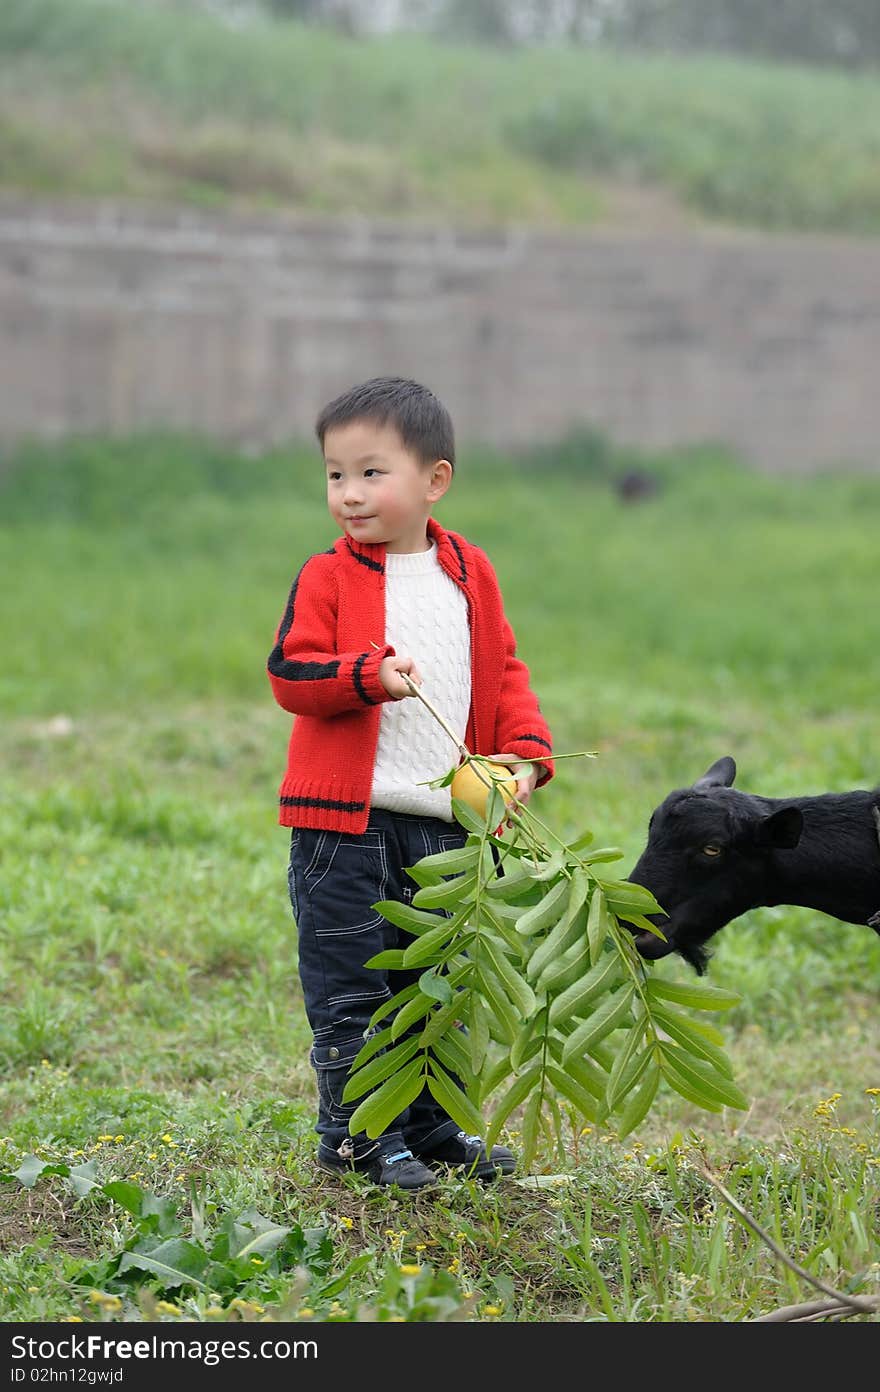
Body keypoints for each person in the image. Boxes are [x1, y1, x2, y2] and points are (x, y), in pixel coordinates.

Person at [267, 376, 554, 1191]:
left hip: (444, 827)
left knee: (435, 988)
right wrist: (366, 676)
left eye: (370, 473)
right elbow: (292, 672)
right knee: (354, 988)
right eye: (334, 475)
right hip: (345, 828)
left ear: (434, 480)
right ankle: (358, 1136)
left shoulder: (469, 572)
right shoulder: (329, 578)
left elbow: (503, 675)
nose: (348, 495)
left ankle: (429, 1128)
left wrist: (525, 756)